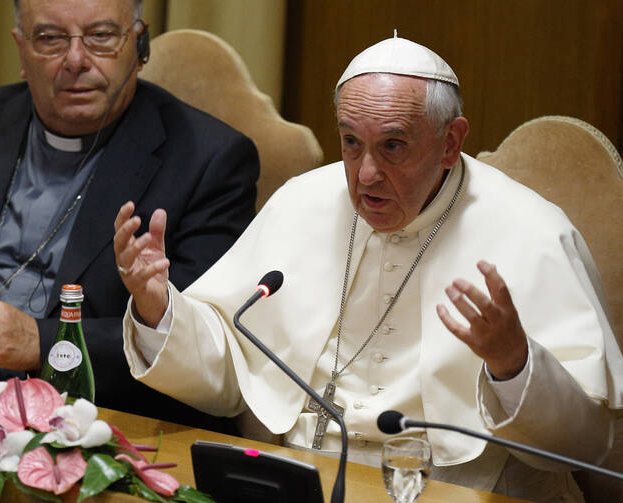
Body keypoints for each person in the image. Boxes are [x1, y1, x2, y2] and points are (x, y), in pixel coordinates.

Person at [115, 35, 623, 502]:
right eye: (351, 142)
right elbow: (230, 369)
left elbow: (583, 444)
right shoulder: (303, 202)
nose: (366, 175)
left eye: (394, 145)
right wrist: (160, 307)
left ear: (451, 141)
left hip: (459, 490)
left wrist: (514, 363)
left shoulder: (531, 231)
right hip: (297, 480)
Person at [0, 0, 259, 432]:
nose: (75, 60)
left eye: (101, 37)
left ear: (138, 44)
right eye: (49, 38)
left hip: (90, 417)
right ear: (21, 49)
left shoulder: (208, 160)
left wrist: (39, 342)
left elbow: (201, 347)